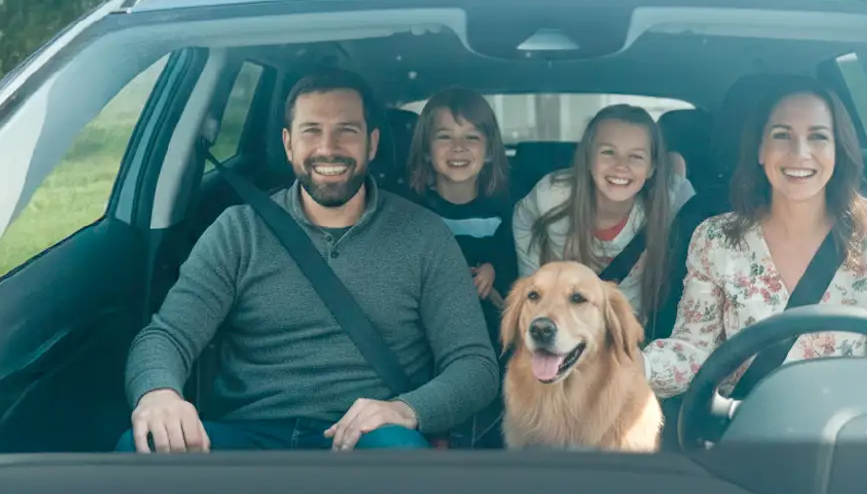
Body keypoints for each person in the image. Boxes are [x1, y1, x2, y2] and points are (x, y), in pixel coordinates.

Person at [119, 72, 500, 453]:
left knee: (400, 453)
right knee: (143, 447)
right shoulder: (238, 232)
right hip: (247, 437)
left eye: (346, 130)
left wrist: (407, 410)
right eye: (311, 131)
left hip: (372, 438)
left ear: (372, 144)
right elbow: (167, 335)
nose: (328, 147)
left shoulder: (425, 236)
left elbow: (474, 365)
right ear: (288, 144)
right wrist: (159, 394)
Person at [643, 80, 867, 399]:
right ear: (760, 150)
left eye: (818, 136)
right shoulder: (716, 238)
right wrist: (630, 370)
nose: (799, 153)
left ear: (838, 149)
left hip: (845, 430)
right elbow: (693, 352)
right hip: (744, 427)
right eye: (782, 135)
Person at [512, 104, 687, 333]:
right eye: (608, 152)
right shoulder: (552, 196)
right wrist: (533, 285)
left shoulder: (666, 201)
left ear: (652, 167)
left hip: (626, 330)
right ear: (587, 158)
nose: (621, 166)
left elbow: (690, 196)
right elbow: (522, 219)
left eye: (636, 156)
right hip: (557, 324)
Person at [406, 88, 517, 336]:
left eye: (472, 138)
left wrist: (492, 270)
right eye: (445, 137)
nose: (458, 147)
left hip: (489, 330)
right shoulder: (412, 212)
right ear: (426, 149)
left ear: (488, 151)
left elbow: (512, 264)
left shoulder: (502, 211)